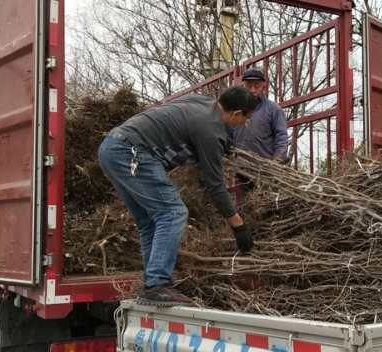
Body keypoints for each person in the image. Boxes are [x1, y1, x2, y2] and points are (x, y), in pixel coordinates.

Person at [98, 86, 258, 307]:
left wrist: (223, 145)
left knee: (149, 221)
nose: (245, 123)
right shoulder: (210, 130)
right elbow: (215, 186)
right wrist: (238, 226)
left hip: (111, 147)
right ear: (236, 113)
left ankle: (151, 282)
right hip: (131, 151)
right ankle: (157, 284)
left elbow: (185, 126)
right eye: (246, 118)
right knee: (173, 212)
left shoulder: (201, 101)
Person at [230, 67, 289, 162]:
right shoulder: (235, 110)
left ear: (263, 87)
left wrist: (278, 160)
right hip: (237, 165)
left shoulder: (273, 109)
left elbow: (281, 136)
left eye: (256, 86)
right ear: (243, 87)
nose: (252, 90)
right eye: (248, 86)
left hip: (263, 167)